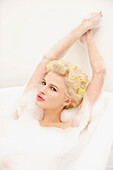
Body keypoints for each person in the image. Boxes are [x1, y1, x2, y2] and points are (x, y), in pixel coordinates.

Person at [21, 11, 106, 129]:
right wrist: (84, 26)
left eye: (53, 88)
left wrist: (89, 40)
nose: (42, 90)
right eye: (44, 83)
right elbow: (47, 58)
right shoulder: (27, 112)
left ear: (67, 101)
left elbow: (99, 72)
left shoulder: (73, 127)